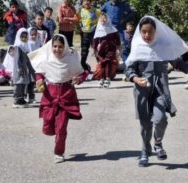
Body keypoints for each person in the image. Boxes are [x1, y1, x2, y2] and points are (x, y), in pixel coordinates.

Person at [125, 16, 188, 167]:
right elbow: (129, 69)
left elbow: (176, 61)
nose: (147, 35)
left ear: (156, 32)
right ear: (139, 32)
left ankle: (158, 142)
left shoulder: (162, 47)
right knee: (145, 125)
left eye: (150, 32)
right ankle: (144, 151)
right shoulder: (137, 47)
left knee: (161, 119)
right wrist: (135, 79)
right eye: (143, 32)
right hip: (142, 92)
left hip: (160, 90)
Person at [29, 34, 88, 163]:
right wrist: (39, 81)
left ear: (65, 47)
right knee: (48, 127)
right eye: (54, 46)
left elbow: (84, 73)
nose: (57, 49)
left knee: (61, 128)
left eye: (60, 47)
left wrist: (79, 79)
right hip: (50, 95)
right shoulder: (46, 59)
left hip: (66, 95)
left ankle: (59, 152)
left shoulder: (71, 59)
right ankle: (54, 134)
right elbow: (39, 72)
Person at [93, 12, 120, 88]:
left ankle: (107, 79)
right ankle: (101, 78)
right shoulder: (98, 28)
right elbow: (95, 40)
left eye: (105, 18)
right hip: (101, 49)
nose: (103, 20)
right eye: (101, 18)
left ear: (107, 19)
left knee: (108, 63)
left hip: (110, 49)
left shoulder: (112, 28)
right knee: (102, 64)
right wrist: (95, 49)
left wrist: (118, 48)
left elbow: (117, 39)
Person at [11, 29, 36, 107]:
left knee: (22, 84)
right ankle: (16, 100)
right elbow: (17, 59)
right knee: (18, 84)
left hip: (24, 69)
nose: (24, 39)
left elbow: (27, 59)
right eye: (22, 37)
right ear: (19, 37)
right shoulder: (18, 47)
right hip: (18, 69)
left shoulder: (25, 47)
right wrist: (19, 68)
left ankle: (21, 99)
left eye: (25, 37)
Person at [78, 0, 101, 71]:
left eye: (88, 1)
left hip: (94, 33)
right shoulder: (80, 11)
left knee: (97, 49)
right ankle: (83, 66)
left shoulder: (96, 11)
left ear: (91, 2)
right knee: (84, 50)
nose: (86, 2)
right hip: (84, 33)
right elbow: (77, 21)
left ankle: (101, 67)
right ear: (82, 2)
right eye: (85, 1)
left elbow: (102, 20)